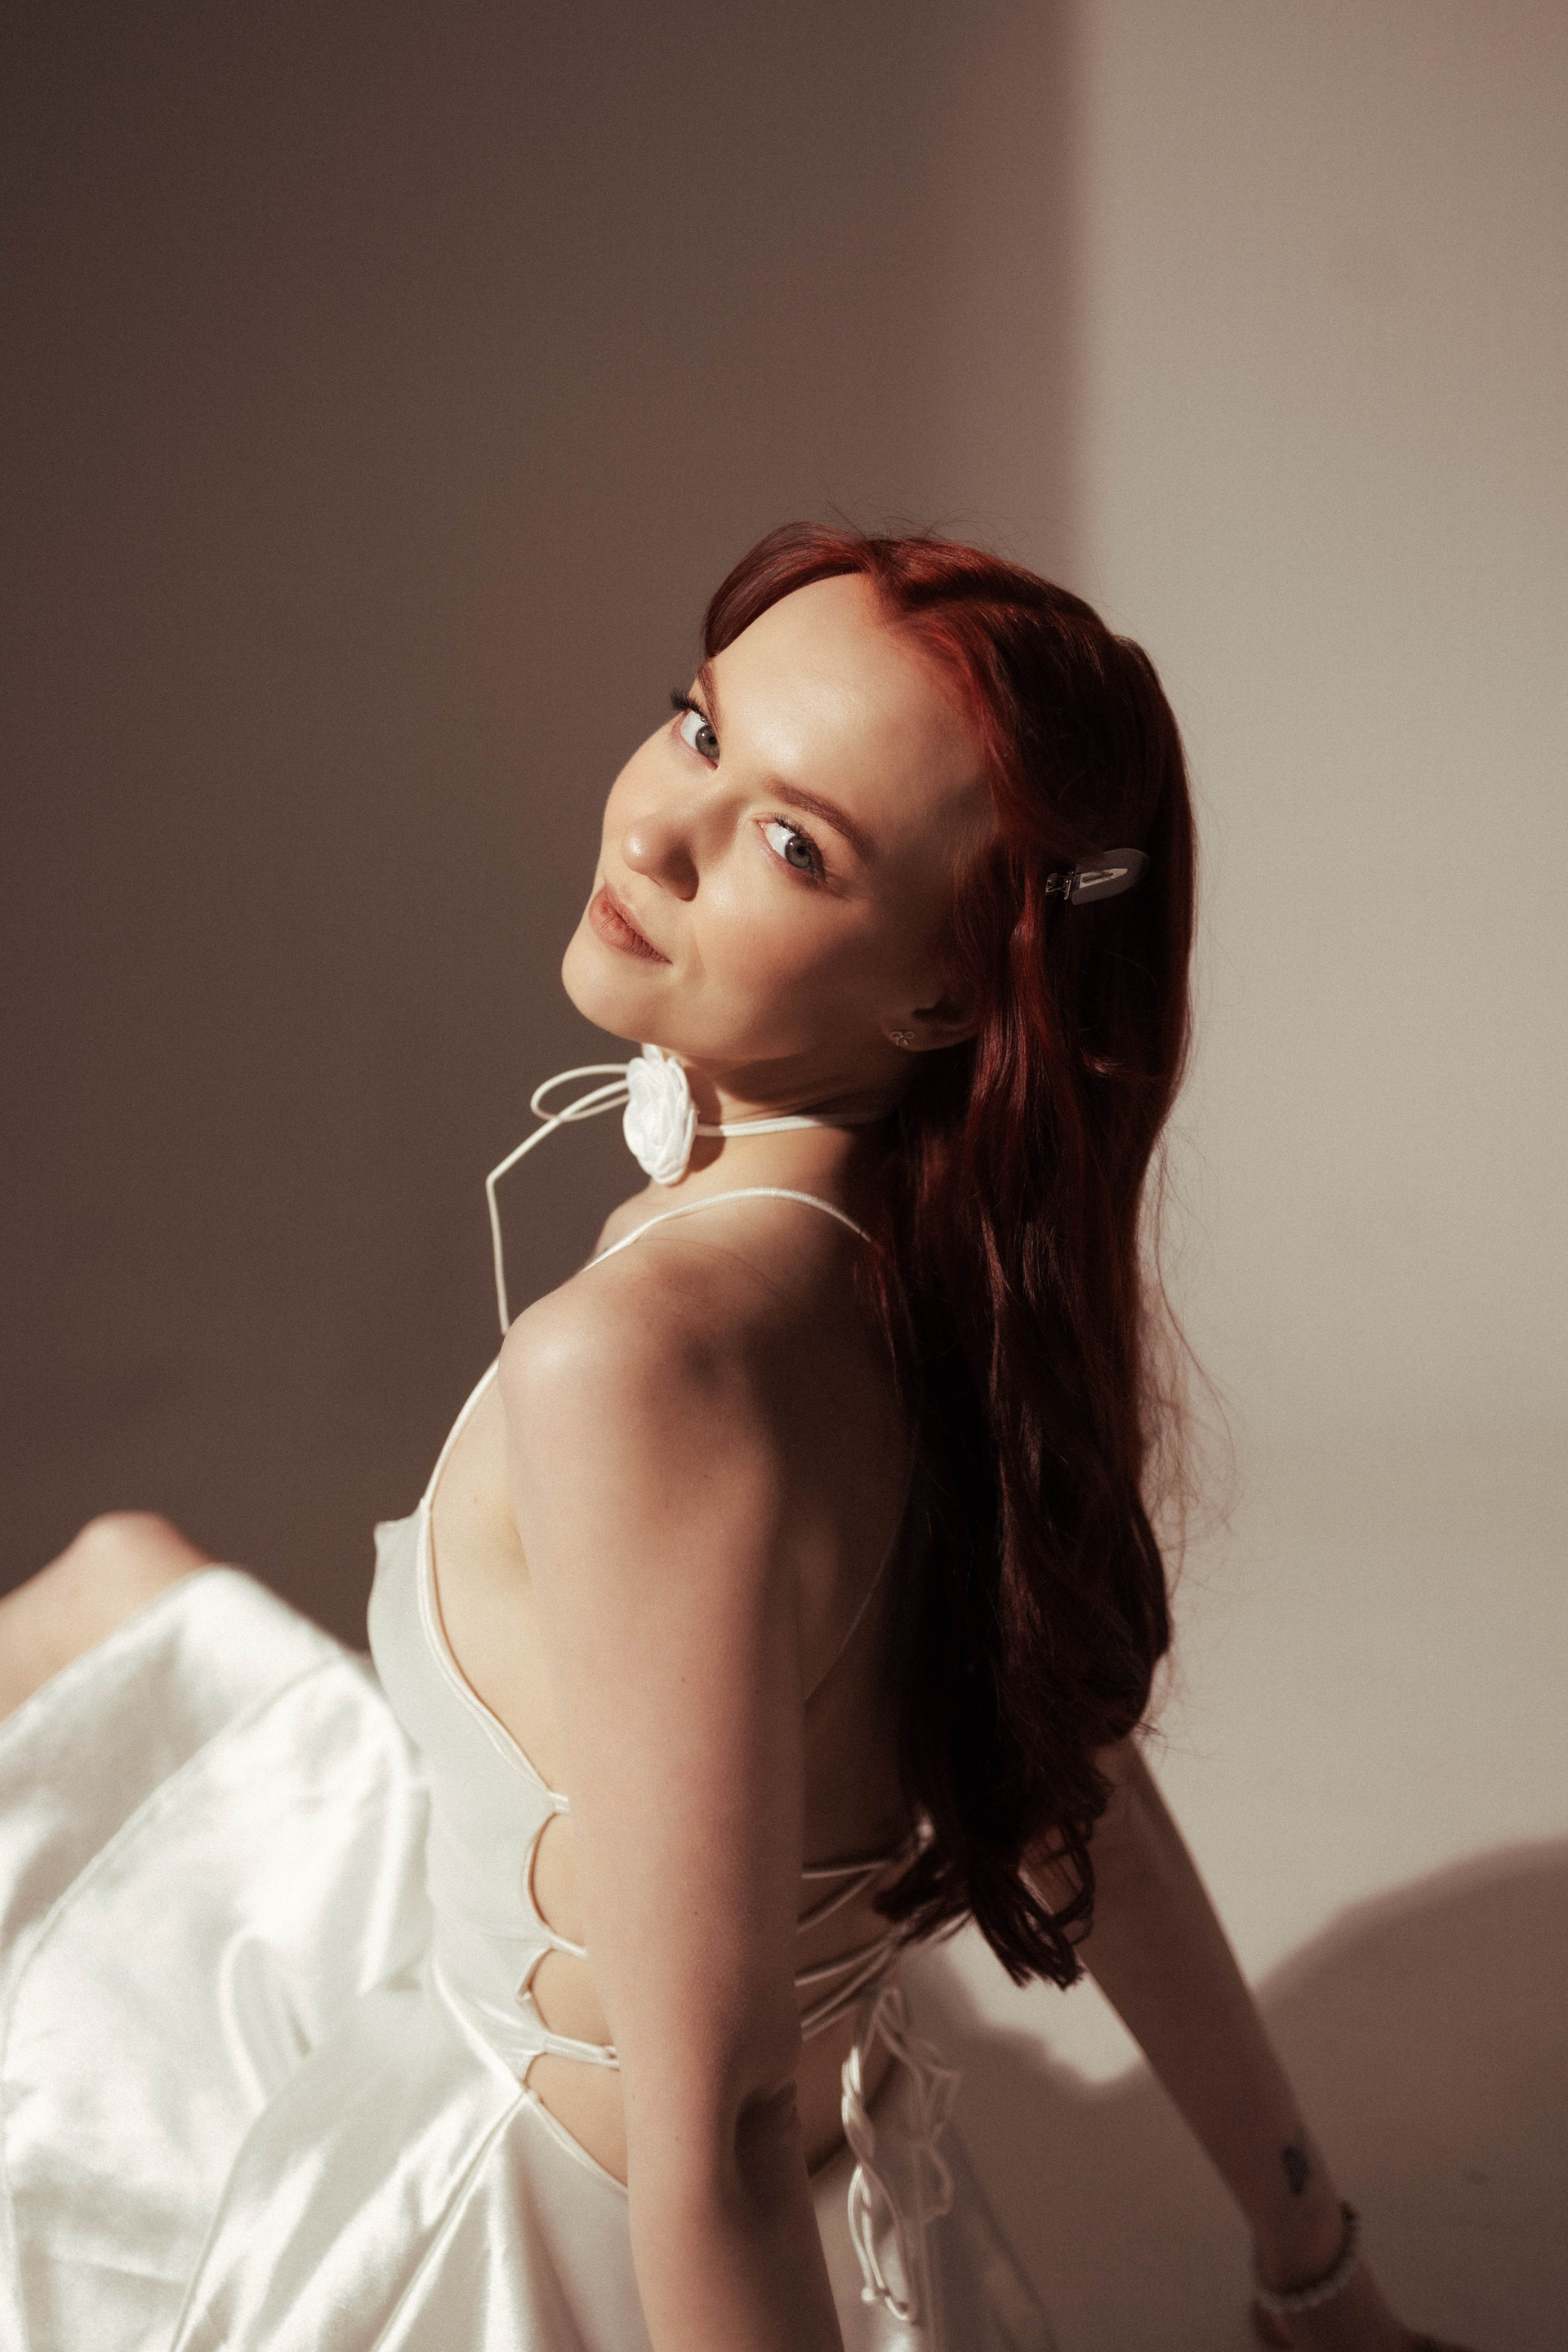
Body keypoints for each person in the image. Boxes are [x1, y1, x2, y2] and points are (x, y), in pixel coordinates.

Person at [0, 525, 1468, 2352]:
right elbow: (1082, 1801)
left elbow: (727, 2131)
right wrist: (1317, 2268)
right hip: (833, 2169)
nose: (656, 835)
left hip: (536, 2237)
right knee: (129, 1593)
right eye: (699, 729)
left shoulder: (637, 1366)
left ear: (945, 995)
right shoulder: (949, 1279)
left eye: (795, 844)